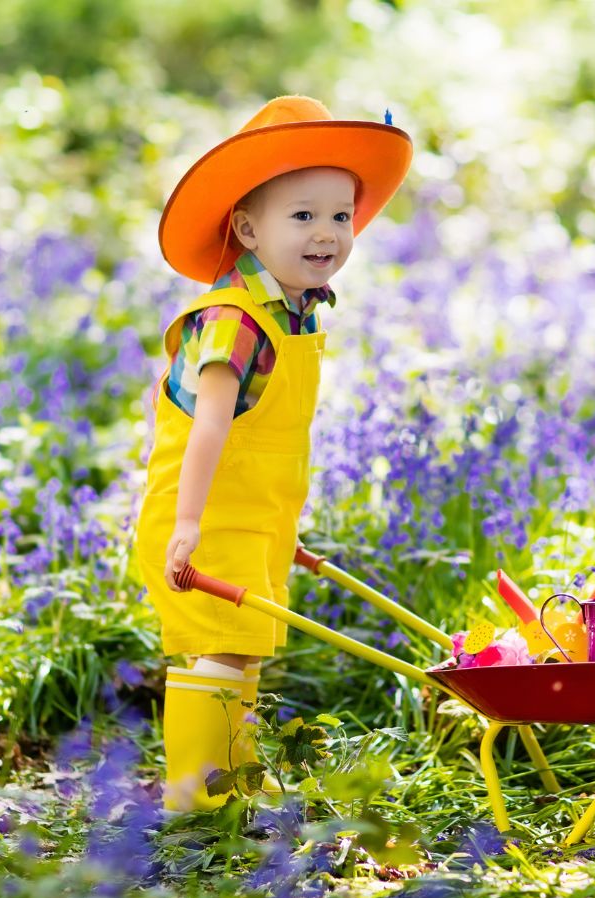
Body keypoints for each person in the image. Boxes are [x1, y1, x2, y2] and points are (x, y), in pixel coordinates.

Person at [135, 96, 411, 811]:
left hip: (256, 514)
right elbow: (208, 431)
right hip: (207, 515)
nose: (327, 233)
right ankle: (195, 802)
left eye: (340, 216)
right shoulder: (234, 323)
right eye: (302, 216)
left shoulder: (292, 311)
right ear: (248, 227)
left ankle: (232, 784)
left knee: (246, 646)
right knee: (222, 645)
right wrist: (189, 527)